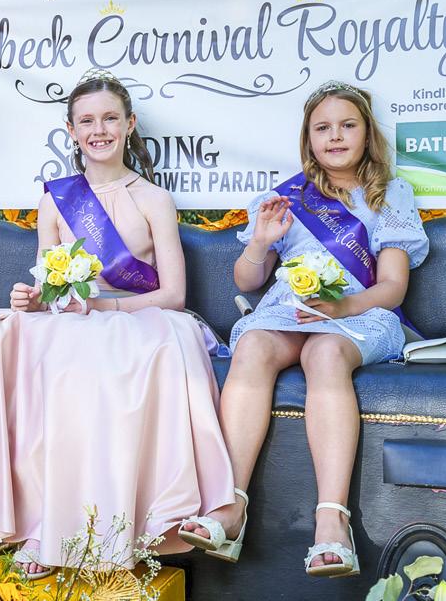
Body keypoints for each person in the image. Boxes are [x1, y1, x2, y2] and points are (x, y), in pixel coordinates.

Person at [0, 70, 236, 577]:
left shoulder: (153, 199)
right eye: (86, 121)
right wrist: (30, 298)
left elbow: (173, 295)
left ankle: (54, 528)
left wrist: (102, 309)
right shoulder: (56, 199)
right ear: (72, 131)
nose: (98, 130)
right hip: (70, 317)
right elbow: (47, 279)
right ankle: (5, 515)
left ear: (129, 124)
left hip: (138, 317)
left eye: (109, 118)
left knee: (75, 364)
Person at [184, 81, 429, 577]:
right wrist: (261, 242)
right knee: (253, 345)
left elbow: (393, 287)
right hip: (288, 313)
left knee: (325, 354)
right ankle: (230, 507)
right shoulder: (286, 197)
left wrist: (341, 308)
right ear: (308, 138)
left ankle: (331, 522)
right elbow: (247, 281)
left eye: (347, 125)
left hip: (360, 314)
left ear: (367, 134)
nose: (335, 136)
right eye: (323, 128)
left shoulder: (390, 194)